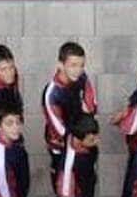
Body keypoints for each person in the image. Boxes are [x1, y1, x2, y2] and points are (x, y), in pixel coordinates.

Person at [42, 41, 98, 170]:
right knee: (64, 180)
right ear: (60, 65)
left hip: (82, 134)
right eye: (73, 65)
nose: (78, 70)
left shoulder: (81, 76)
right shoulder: (52, 95)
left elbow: (91, 105)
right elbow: (59, 129)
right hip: (61, 145)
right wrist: (82, 137)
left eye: (81, 65)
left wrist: (86, 129)